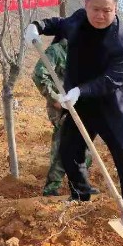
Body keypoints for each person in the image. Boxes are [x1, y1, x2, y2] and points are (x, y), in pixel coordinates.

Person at [25, 0, 123, 218]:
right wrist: (38, 26)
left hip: (114, 104)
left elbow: (113, 78)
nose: (100, 15)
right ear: (86, 4)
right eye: (96, 9)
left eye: (107, 10)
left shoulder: (122, 41)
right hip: (80, 101)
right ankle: (80, 196)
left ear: (116, 9)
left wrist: (80, 91)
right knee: (69, 149)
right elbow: (59, 24)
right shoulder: (79, 19)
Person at [31, 35, 95, 196]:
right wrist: (55, 98)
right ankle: (52, 188)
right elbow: (39, 75)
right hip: (63, 108)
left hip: (82, 106)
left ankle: (79, 186)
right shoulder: (57, 51)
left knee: (83, 146)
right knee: (63, 144)